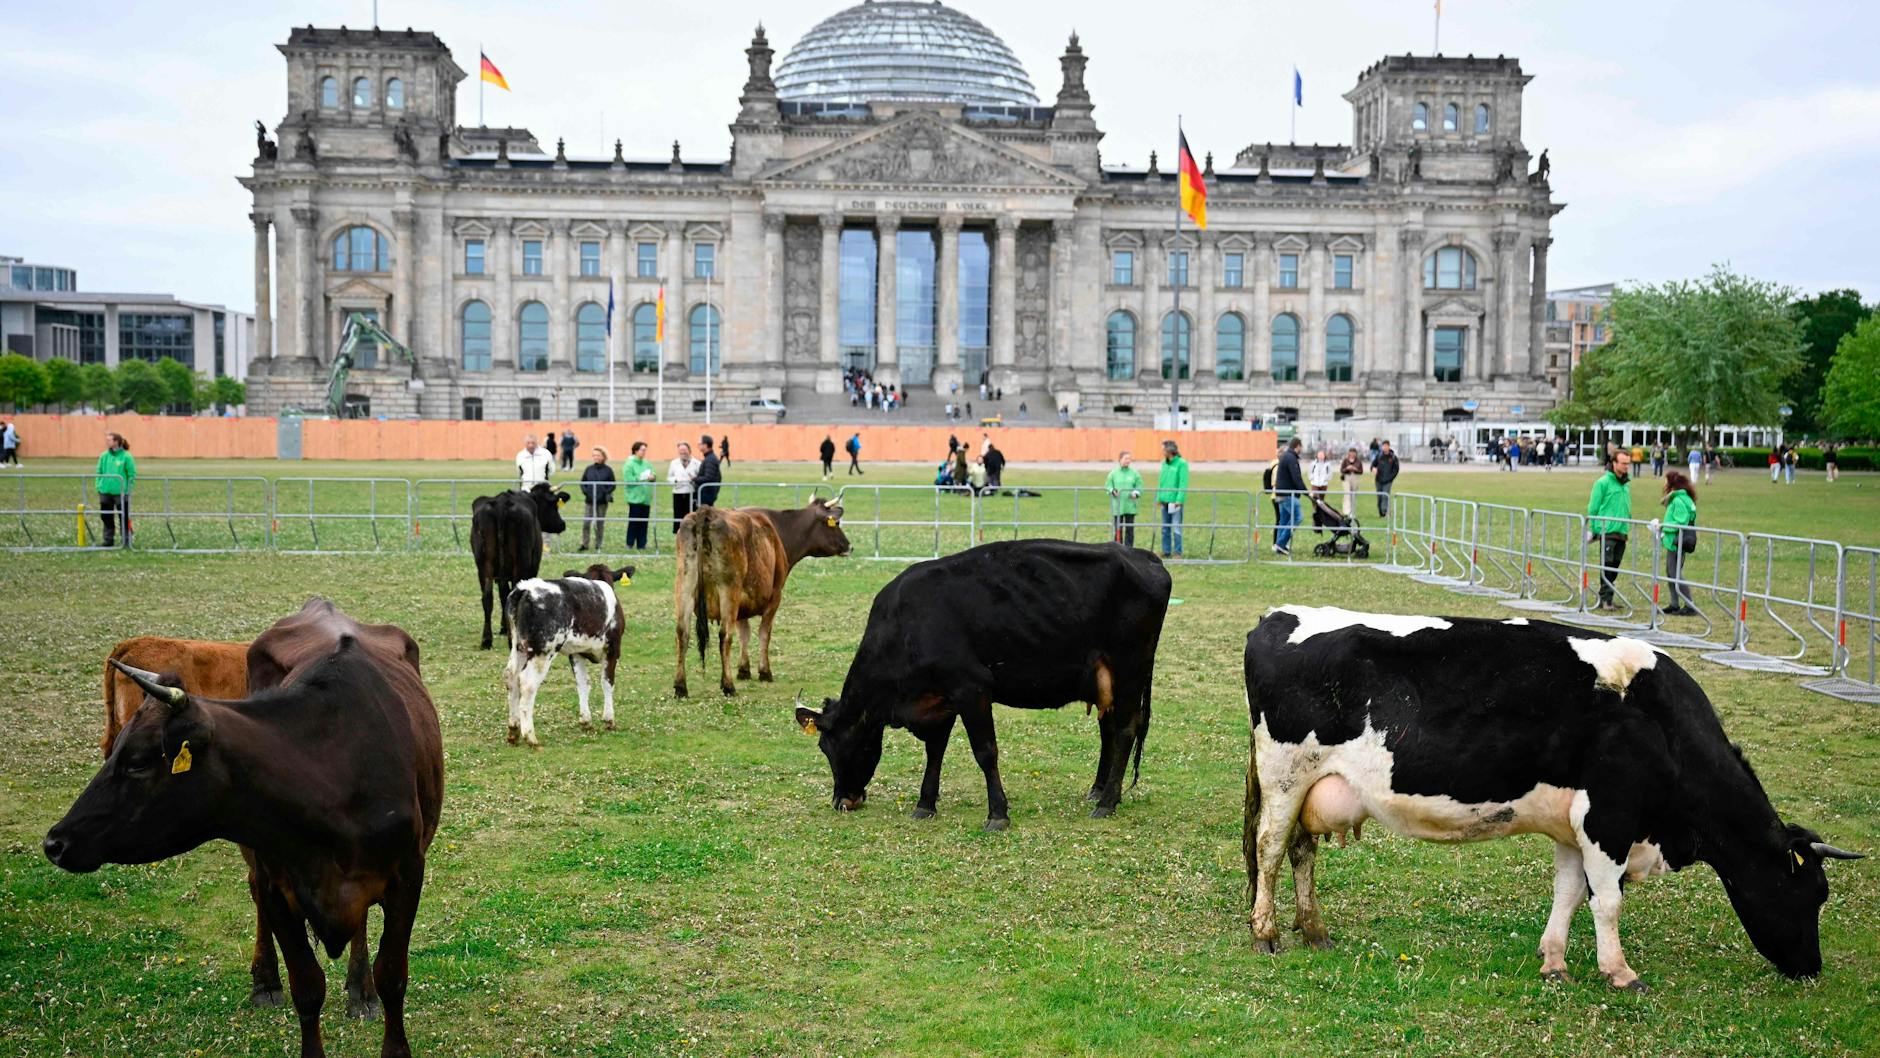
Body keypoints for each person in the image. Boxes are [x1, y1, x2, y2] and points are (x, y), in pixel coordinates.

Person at [1586, 450, 1633, 611]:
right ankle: (1606, 600)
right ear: (1614, 463)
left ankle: (1606, 597)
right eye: (1623, 463)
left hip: (1622, 531)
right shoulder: (1603, 482)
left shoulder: (1626, 484)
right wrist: (1594, 529)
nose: (1627, 466)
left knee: (1615, 566)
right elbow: (1593, 508)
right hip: (1608, 530)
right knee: (1607, 565)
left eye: (1628, 463)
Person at [1651, 470, 1698, 616]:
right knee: (1671, 573)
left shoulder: (1679, 500)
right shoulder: (1683, 498)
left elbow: (1680, 522)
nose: (1664, 484)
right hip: (1674, 541)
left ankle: (1689, 605)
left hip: (1677, 542)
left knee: (1675, 573)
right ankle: (1674, 603)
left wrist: (1662, 526)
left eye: (1666, 481)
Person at [95, 432, 136, 548]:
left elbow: (132, 474)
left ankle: (126, 540)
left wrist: (128, 489)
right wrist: (98, 486)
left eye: (109, 440)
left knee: (124, 516)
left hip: (121, 493)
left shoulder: (126, 456)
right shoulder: (104, 456)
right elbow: (99, 471)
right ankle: (108, 540)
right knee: (106, 516)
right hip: (105, 491)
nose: (107, 442)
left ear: (116, 441)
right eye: (106, 440)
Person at [1154, 440, 1190, 558]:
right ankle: (1166, 550)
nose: (1162, 451)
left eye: (1163, 449)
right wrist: (1159, 497)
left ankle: (1177, 552)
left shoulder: (1181, 464)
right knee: (1165, 528)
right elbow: (1161, 482)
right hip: (1164, 500)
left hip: (1175, 502)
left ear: (1169, 450)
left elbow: (1183, 483)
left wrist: (1179, 500)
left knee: (1176, 527)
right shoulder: (1164, 463)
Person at [576, 446, 616, 552]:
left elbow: (613, 484)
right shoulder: (589, 469)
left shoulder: (608, 470)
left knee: (599, 524)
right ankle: (585, 544)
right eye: (594, 455)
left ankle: (598, 544)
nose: (596, 457)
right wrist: (586, 492)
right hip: (589, 501)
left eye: (598, 455)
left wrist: (605, 493)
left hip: (602, 502)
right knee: (586, 523)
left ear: (603, 457)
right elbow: (583, 482)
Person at [1272, 438, 1306, 557]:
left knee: (1284, 519)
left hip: (1280, 493)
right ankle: (1280, 544)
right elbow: (1296, 478)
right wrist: (1306, 492)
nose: (1301, 449)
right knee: (1298, 517)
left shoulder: (1286, 456)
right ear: (1297, 446)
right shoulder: (1291, 458)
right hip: (1288, 494)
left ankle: (1278, 544)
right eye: (1301, 447)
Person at [1105, 451, 1144, 547]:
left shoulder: (1134, 473)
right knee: (1118, 529)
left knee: (1129, 529)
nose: (1128, 461)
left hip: (1130, 506)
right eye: (1126, 458)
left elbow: (1139, 486)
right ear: (1120, 459)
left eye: (1129, 459)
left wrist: (1136, 493)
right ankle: (1118, 548)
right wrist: (1112, 490)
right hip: (1117, 507)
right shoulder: (1113, 473)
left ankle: (1129, 549)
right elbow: (1108, 485)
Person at [621, 441, 655, 550]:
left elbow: (653, 473)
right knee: (634, 522)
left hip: (646, 498)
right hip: (635, 498)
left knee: (644, 523)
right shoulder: (629, 464)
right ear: (636, 450)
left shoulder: (647, 463)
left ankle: (642, 544)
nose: (644, 452)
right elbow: (628, 480)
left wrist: (653, 477)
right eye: (642, 450)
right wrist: (642, 477)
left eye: (645, 450)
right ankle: (630, 543)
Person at [668, 441, 700, 531]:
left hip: (691, 493)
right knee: (678, 516)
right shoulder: (674, 463)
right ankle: (679, 535)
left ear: (689, 450)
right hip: (678, 493)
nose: (683, 452)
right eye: (681, 450)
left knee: (691, 516)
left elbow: (700, 477)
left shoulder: (697, 463)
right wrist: (675, 480)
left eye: (685, 450)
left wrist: (694, 479)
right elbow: (669, 477)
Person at [1371, 440, 1399, 518]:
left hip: (1388, 481)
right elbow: (1373, 465)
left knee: (1385, 496)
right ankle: (1381, 513)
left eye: (1386, 446)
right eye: (1383, 446)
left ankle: (1385, 512)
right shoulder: (1379, 456)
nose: (1385, 447)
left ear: (1389, 446)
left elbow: (1396, 469)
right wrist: (1373, 469)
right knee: (1379, 497)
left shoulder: (1393, 457)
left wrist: (1390, 478)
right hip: (1378, 480)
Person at [695, 435, 723, 506]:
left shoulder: (710, 459)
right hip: (707, 493)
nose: (698, 445)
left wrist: (694, 479)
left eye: (699, 444)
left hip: (707, 494)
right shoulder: (709, 457)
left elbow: (709, 477)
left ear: (705, 445)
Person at [1338, 447, 1365, 516]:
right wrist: (1347, 468)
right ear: (1349, 453)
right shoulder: (1345, 460)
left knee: (1354, 495)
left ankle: (1352, 512)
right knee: (1347, 494)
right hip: (1347, 478)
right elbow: (1341, 470)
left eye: (1354, 453)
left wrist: (1355, 469)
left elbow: (1361, 471)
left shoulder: (1358, 461)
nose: (1352, 454)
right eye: (1351, 452)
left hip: (1355, 478)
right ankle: (1347, 512)